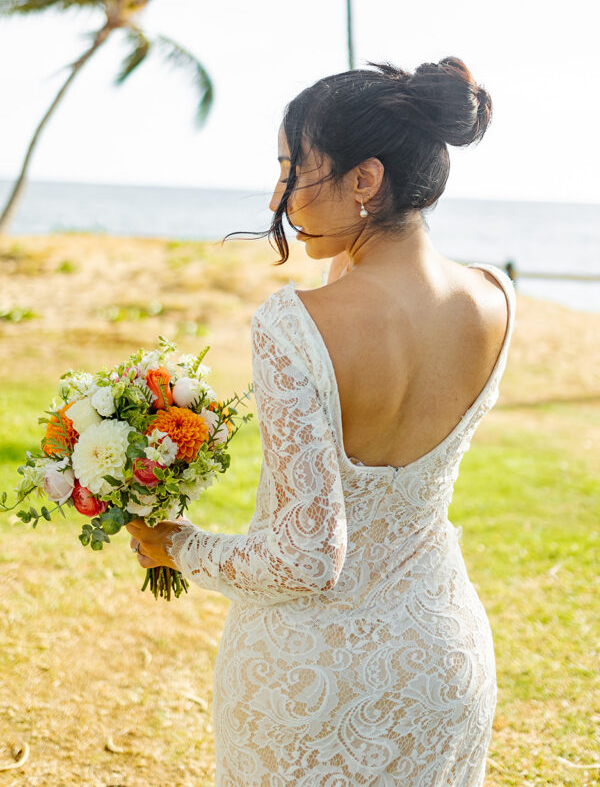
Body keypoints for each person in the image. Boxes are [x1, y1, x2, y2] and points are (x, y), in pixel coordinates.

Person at [127, 57, 515, 786]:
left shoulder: (295, 325)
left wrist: (176, 546)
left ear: (364, 179)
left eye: (292, 169)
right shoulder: (494, 298)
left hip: (304, 680)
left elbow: (305, 558)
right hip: (439, 659)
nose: (279, 195)